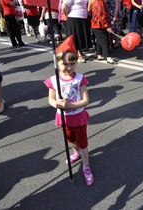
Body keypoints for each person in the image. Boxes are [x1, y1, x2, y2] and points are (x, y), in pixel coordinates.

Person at [44, 35, 94, 186]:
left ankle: (86, 166)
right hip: (63, 117)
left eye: (72, 63)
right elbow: (50, 99)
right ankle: (76, 152)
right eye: (65, 64)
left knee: (83, 142)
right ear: (57, 63)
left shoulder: (80, 79)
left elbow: (86, 100)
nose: (69, 67)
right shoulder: (53, 80)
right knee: (70, 139)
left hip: (78, 116)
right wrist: (56, 104)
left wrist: (71, 106)